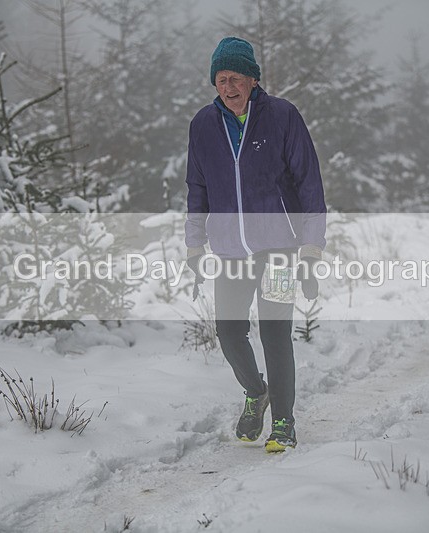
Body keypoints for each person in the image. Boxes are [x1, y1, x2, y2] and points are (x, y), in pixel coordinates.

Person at [185, 36, 326, 453]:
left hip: (279, 249)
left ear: (253, 79)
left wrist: (311, 252)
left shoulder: (282, 116)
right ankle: (256, 391)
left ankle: (283, 421)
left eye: (236, 79)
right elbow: (197, 188)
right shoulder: (202, 126)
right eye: (221, 79)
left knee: (275, 334)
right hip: (229, 252)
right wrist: (195, 248)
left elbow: (309, 185)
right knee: (229, 334)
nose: (228, 88)